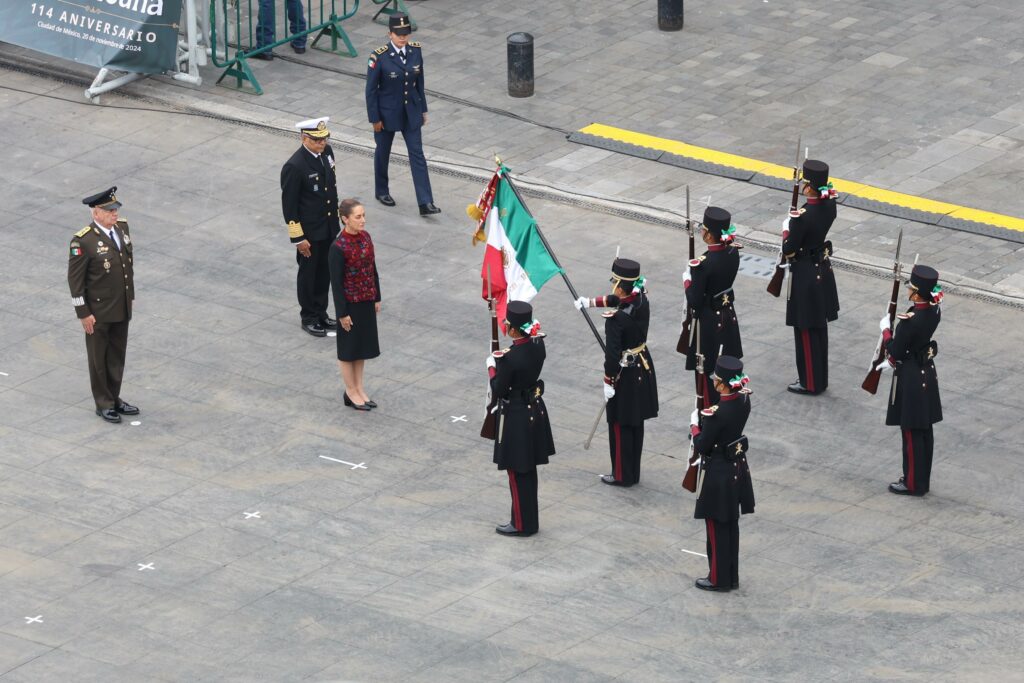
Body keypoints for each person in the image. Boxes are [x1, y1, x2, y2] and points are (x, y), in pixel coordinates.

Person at [575, 258, 659, 486]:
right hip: (642, 366)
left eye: (615, 283)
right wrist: (590, 302)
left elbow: (612, 357)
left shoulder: (615, 320)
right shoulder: (641, 298)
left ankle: (622, 475)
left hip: (624, 373)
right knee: (636, 423)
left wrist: (608, 381)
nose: (613, 286)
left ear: (621, 286)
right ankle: (633, 472)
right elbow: (618, 299)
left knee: (620, 424)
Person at [68, 187, 139, 424]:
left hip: (121, 306)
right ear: (96, 213)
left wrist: (130, 296)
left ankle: (114, 398)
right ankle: (104, 403)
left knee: (117, 355)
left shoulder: (122, 228)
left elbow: (127, 265)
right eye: (109, 211)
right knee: (99, 359)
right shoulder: (83, 241)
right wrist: (83, 313)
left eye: (115, 209)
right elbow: (75, 281)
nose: (114, 213)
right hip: (97, 312)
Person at [487, 301, 555, 536]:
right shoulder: (538, 345)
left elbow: (498, 389)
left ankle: (521, 524)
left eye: (507, 325)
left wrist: (492, 367)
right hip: (533, 410)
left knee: (516, 472)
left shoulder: (510, 358)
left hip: (515, 415)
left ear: (514, 330)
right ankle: (529, 521)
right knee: (528, 471)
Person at [365, 12, 441, 216]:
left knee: (417, 155)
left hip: (411, 111)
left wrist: (423, 109)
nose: (402, 37)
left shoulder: (415, 51)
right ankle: (382, 191)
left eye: (405, 33)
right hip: (387, 113)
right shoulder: (379, 56)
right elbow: (371, 91)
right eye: (398, 34)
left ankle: (425, 202)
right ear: (389, 33)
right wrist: (374, 118)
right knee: (383, 152)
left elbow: (419, 83)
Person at [690, 355, 754, 592]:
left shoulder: (717, 414)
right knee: (730, 527)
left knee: (716, 528)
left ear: (723, 384)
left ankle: (718, 579)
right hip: (736, 469)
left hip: (718, 473)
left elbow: (703, 445)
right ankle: (731, 576)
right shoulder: (743, 401)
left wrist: (695, 427)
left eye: (716, 379)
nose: (713, 382)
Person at [878, 265, 943, 496]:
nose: (908, 292)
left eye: (912, 289)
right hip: (926, 372)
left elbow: (895, 350)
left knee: (911, 431)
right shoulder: (934, 311)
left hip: (911, 377)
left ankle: (913, 483)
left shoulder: (909, 322)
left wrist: (886, 331)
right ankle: (921, 480)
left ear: (917, 294)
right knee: (924, 430)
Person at [782, 159, 840, 395]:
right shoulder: (829, 205)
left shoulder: (803, 217)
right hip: (821, 271)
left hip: (805, 275)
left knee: (805, 330)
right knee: (819, 330)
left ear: (809, 187)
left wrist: (788, 228)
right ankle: (819, 378)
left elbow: (788, 249)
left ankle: (810, 383)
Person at [281, 116, 340, 337]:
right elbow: (289, 206)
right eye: (317, 140)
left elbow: (330, 189)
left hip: (328, 227)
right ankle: (309, 317)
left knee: (325, 273)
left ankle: (321, 312)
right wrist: (298, 238)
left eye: (324, 139)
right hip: (310, 233)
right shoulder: (295, 166)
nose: (322, 143)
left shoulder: (327, 153)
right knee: (309, 276)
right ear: (304, 138)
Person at [682, 206, 743, 405]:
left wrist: (687, 281)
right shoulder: (733, 253)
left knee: (706, 374)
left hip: (708, 323)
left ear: (709, 235)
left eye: (704, 229)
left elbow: (694, 300)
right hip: (727, 316)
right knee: (726, 370)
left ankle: (707, 416)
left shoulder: (703, 264)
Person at [328, 199, 382, 410]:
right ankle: (350, 391)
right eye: (358, 217)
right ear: (345, 219)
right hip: (350, 305)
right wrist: (342, 313)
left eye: (363, 215)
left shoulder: (366, 237)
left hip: (366, 300)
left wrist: (376, 296)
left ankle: (359, 388)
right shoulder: (338, 247)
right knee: (348, 350)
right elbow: (336, 283)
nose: (363, 220)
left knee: (361, 347)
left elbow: (372, 268)